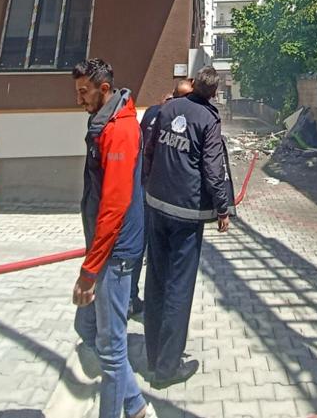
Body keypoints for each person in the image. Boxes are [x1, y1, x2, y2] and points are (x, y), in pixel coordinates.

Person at [72, 58, 155, 418]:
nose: (79, 99)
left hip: (115, 252)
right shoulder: (105, 121)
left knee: (110, 348)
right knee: (86, 326)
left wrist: (90, 270)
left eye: (84, 92)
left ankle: (122, 410)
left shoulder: (119, 130)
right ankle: (135, 404)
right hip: (107, 248)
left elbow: (114, 205)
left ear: (104, 89)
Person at [143, 66, 235, 389]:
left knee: (155, 281)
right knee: (178, 288)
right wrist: (222, 208)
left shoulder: (168, 109)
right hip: (186, 213)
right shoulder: (208, 119)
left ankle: (152, 356)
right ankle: (167, 369)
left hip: (157, 205)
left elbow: (150, 149)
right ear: (214, 93)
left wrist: (148, 184)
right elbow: (213, 168)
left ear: (193, 83)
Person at [128, 77, 194, 319]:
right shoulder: (179, 120)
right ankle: (156, 305)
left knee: (139, 245)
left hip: (143, 187)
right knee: (159, 252)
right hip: (164, 195)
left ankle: (131, 298)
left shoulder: (152, 113)